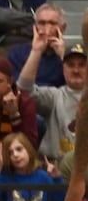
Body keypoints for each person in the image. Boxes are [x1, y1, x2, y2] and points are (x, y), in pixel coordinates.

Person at [18, 37, 84, 175]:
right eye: (71, 65)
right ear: (63, 68)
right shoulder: (54, 96)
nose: (76, 70)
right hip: (54, 167)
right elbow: (24, 91)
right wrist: (36, 51)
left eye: (82, 65)